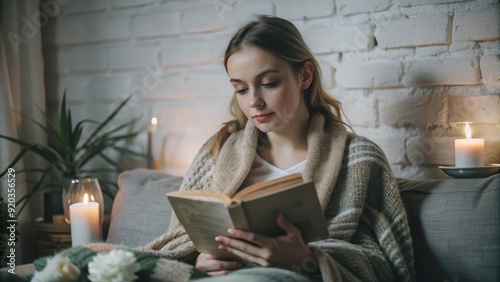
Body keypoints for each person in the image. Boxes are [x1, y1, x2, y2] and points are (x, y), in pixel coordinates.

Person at [143, 15, 415, 282]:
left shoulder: (360, 161)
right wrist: (199, 261)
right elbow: (178, 245)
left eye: (268, 83)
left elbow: (388, 267)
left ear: (305, 76)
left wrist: (307, 259)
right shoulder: (216, 151)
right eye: (240, 89)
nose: (254, 102)